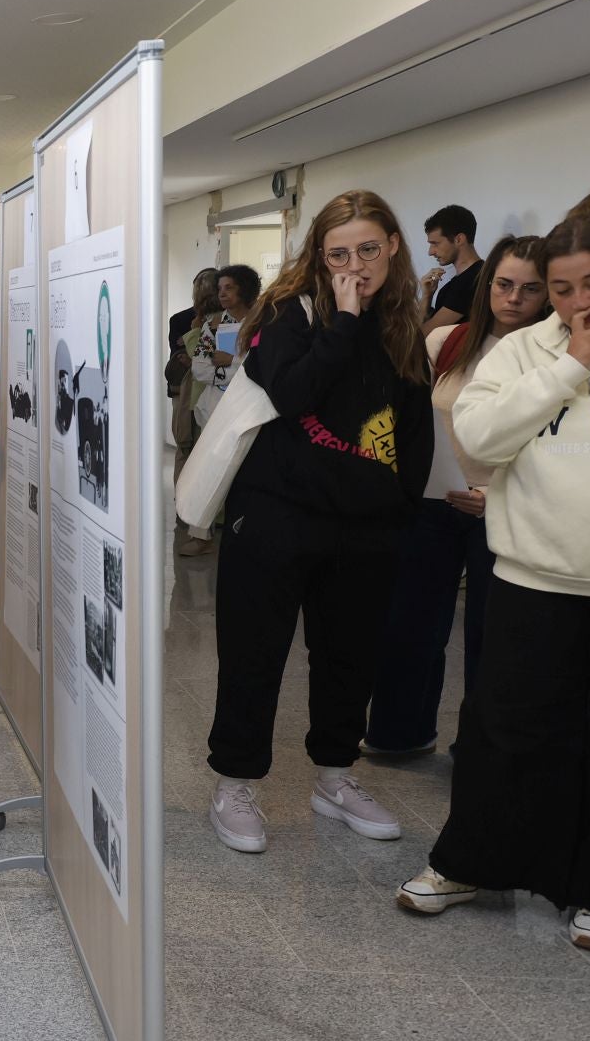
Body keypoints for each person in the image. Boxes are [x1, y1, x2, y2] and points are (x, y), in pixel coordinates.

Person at [396, 211, 590, 954]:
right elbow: (483, 435)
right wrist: (567, 370)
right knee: (504, 734)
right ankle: (468, 864)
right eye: (561, 289)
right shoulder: (525, 349)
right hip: (532, 575)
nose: (577, 303)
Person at [205, 190, 433, 856]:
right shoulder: (288, 311)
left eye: (367, 249)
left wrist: (401, 509)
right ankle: (234, 782)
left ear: (393, 245)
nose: (354, 266)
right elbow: (293, 392)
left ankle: (335, 777)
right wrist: (345, 321)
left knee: (349, 658)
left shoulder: (404, 324)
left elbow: (413, 430)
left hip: (364, 526)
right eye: (338, 254)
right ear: (318, 255)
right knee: (253, 653)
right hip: (276, 514)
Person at [362, 235, 549, 757]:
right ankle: (400, 733)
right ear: (487, 285)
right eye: (504, 285)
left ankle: (481, 749)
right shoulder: (447, 341)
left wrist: (495, 495)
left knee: (492, 639)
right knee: (411, 629)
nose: (513, 298)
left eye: (529, 289)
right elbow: (408, 423)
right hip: (432, 502)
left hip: (506, 510)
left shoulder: (555, 360)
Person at [177, 264, 259, 557]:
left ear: (244, 290)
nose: (222, 294)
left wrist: (229, 361)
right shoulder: (213, 324)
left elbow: (259, 370)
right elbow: (199, 369)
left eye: (229, 288)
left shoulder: (261, 323)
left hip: (249, 410)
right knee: (207, 471)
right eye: (220, 288)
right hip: (214, 407)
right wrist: (228, 365)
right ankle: (201, 534)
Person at [168, 268, 221, 497]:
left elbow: (205, 360)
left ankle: (198, 502)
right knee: (186, 444)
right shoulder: (182, 320)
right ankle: (184, 499)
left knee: (203, 445)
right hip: (186, 389)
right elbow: (189, 359)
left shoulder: (225, 321)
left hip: (212, 389)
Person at [421, 204, 483, 331]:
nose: (430, 252)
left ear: (459, 239)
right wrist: (427, 295)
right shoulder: (464, 279)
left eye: (435, 243)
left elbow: (423, 334)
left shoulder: (472, 280)